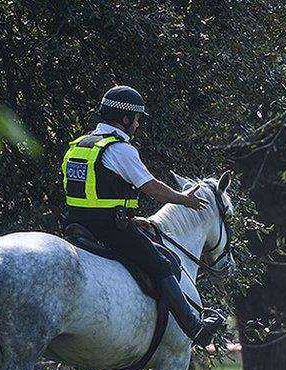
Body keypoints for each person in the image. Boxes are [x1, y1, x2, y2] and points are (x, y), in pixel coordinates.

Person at [61, 85, 224, 347]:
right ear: (125, 119)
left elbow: (93, 190)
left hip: (74, 223)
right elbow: (152, 187)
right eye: (136, 119)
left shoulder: (80, 145)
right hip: (109, 229)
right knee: (160, 263)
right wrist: (185, 199)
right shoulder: (120, 149)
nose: (137, 125)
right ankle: (195, 328)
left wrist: (127, 215)